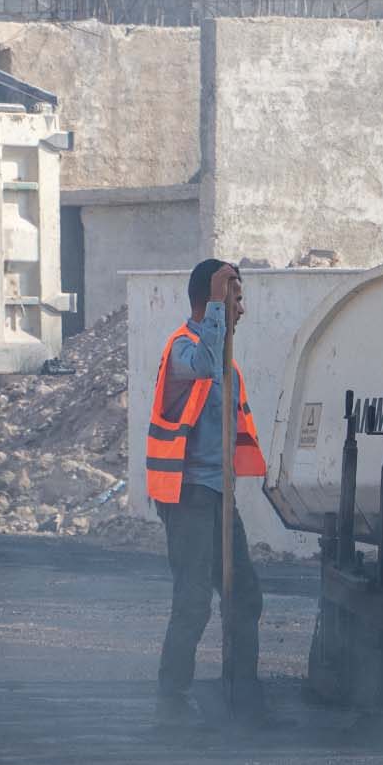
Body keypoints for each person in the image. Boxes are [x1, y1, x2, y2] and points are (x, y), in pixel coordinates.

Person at [149, 259, 273, 726]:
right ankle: (172, 700)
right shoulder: (183, 350)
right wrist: (218, 307)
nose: (242, 310)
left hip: (218, 495)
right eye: (235, 300)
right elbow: (202, 364)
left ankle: (243, 698)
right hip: (186, 497)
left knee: (244, 596)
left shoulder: (230, 368)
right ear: (213, 301)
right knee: (194, 599)